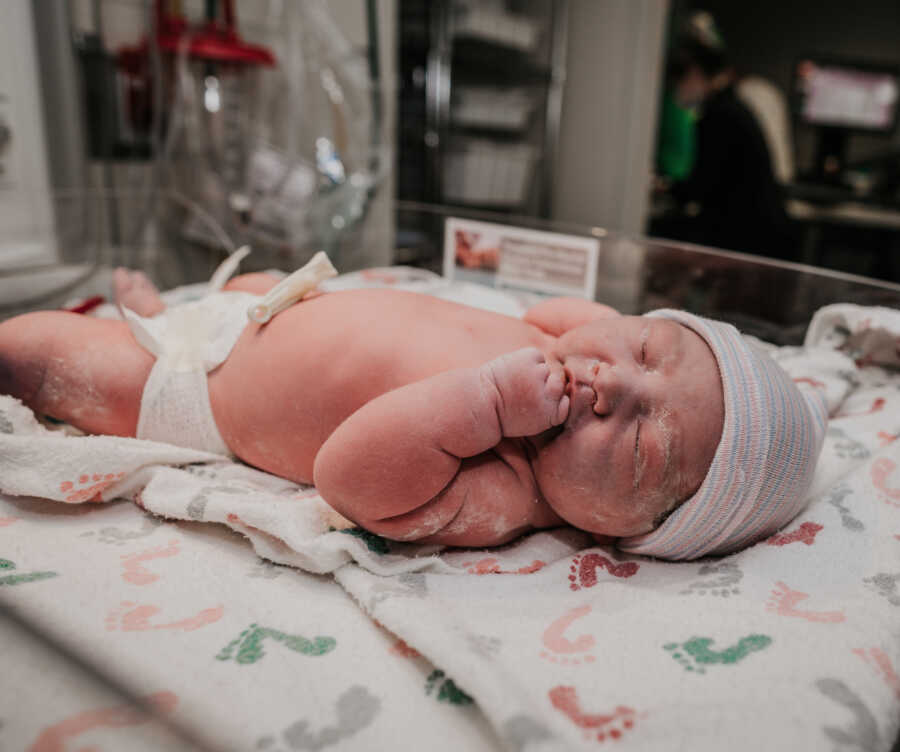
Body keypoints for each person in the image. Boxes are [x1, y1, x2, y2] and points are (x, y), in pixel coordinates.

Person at [0, 251, 825, 560]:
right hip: (284, 300)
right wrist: (624, 336)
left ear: (631, 530)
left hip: (193, 388)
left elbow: (350, 477)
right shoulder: (580, 348)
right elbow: (608, 331)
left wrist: (492, 404)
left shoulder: (514, 493)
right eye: (646, 353)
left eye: (645, 445)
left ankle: (140, 322)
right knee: (236, 288)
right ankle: (161, 302)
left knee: (35, 351)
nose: (616, 385)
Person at [653, 13, 795, 259]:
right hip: (758, 233)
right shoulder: (731, 106)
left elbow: (700, 188)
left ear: (695, 73)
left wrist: (664, 188)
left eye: (678, 83)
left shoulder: (719, 115)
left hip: (750, 239)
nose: (677, 92)